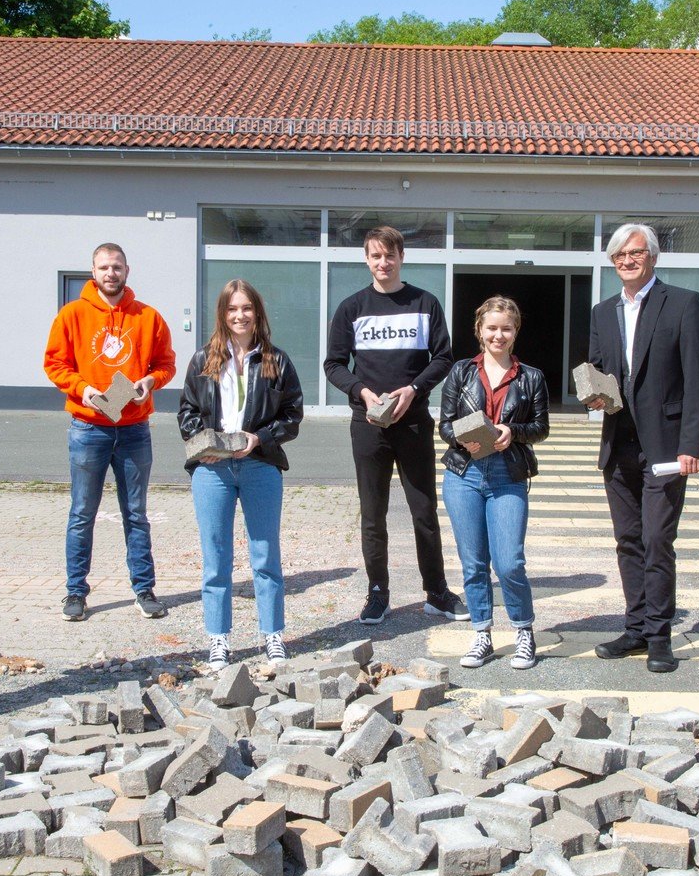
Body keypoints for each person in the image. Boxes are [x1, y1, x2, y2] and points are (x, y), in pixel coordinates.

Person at [586, 223, 699, 673]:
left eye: (634, 253)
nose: (627, 261)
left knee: (658, 540)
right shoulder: (603, 312)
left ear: (652, 256)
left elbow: (697, 378)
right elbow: (599, 370)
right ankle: (636, 628)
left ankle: (660, 636)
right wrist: (594, 394)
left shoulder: (683, 304)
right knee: (629, 540)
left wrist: (692, 443)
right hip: (618, 443)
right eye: (618, 255)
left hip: (665, 444)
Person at [324, 225, 466, 625]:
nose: (383, 263)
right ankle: (377, 593)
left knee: (423, 509)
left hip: (414, 423)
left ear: (401, 257)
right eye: (375, 256)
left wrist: (414, 390)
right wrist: (361, 392)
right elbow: (334, 364)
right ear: (366, 260)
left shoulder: (425, 303)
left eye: (389, 255)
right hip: (369, 425)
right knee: (373, 514)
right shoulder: (352, 308)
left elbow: (444, 357)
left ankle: (436, 591)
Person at [44, 242, 176, 623]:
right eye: (104, 267)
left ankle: (144, 589)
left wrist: (150, 381)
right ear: (93, 271)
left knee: (136, 513)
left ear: (127, 270)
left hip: (134, 429)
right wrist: (84, 389)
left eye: (116, 267)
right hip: (88, 427)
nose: (110, 273)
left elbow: (166, 363)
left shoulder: (148, 317)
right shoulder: (72, 315)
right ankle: (75, 592)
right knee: (82, 513)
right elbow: (55, 363)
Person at [179, 280, 304, 669]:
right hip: (213, 470)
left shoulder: (276, 361)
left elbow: (292, 416)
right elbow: (186, 411)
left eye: (247, 308)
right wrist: (206, 444)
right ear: (222, 313)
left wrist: (259, 438)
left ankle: (272, 635)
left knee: (265, 554)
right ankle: (218, 639)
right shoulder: (203, 359)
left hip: (259, 466)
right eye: (232, 309)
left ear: (257, 313)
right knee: (215, 557)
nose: (240, 315)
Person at [439, 296, 550, 670]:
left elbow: (540, 428)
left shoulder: (531, 376)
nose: (497, 335)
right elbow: (444, 425)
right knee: (473, 563)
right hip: (464, 474)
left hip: (508, 475)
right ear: (479, 330)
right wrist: (461, 437)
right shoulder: (461, 372)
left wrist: (511, 431)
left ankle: (523, 632)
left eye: (505, 328)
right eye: (491, 328)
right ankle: (482, 634)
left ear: (515, 331)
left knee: (509, 563)